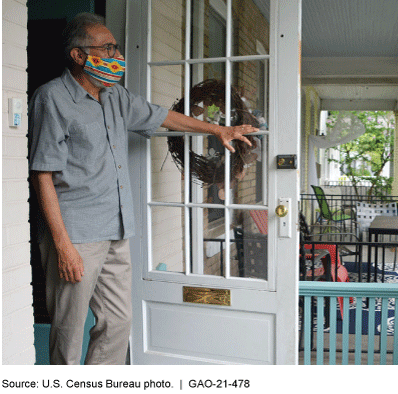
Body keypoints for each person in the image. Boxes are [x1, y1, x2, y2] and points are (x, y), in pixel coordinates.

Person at [28, 13, 257, 364]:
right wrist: (62, 245)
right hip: (76, 234)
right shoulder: (52, 98)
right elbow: (43, 174)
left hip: (116, 229)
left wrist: (217, 131)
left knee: (118, 322)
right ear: (78, 55)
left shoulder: (115, 96)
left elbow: (164, 116)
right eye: (107, 48)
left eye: (116, 47)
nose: (116, 55)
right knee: (68, 329)